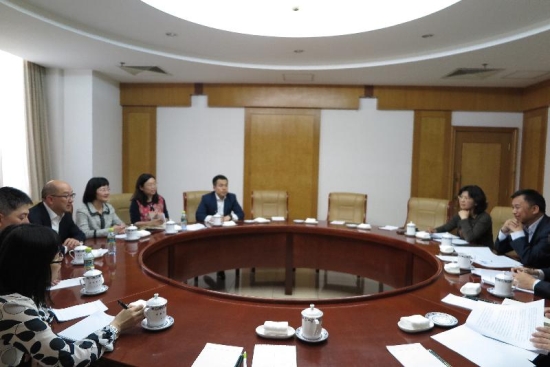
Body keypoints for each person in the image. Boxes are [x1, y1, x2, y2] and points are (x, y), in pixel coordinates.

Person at [0, 224, 144, 366]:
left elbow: (43, 315)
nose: (62, 262)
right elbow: (68, 358)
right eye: (57, 258)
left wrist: (35, 345)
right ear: (37, 266)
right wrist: (116, 326)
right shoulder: (12, 307)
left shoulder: (18, 288)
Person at [494, 189, 550, 268]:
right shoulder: (525, 224)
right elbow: (499, 249)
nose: (513, 211)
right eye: (513, 207)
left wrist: (518, 233)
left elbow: (529, 260)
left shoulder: (547, 230)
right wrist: (504, 231)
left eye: (517, 207)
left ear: (534, 209)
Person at [29, 180, 85, 251]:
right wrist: (66, 248)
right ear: (50, 200)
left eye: (72, 195)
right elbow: (42, 248)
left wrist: (75, 240)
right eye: (66, 196)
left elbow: (80, 234)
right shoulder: (33, 216)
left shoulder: (65, 213)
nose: (71, 200)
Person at [428, 185, 493, 247]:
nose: (462, 200)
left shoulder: (484, 218)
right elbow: (446, 228)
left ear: (476, 202)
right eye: (461, 197)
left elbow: (470, 237)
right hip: (465, 250)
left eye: (466, 198)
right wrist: (435, 230)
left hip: (482, 253)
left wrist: (464, 219)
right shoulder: (461, 214)